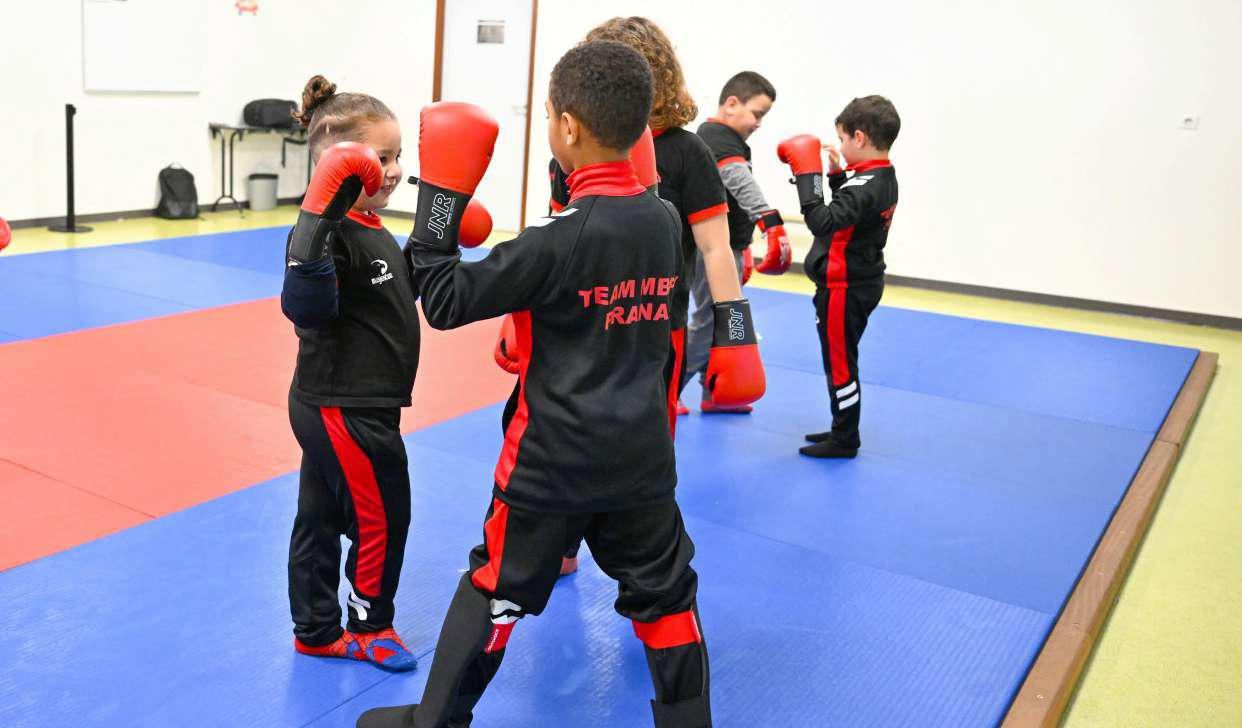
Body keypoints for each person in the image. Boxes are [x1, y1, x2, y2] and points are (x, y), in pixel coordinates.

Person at [357, 40, 731, 728]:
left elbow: (441, 300)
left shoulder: (554, 241)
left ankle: (433, 722)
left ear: (567, 127)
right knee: (668, 599)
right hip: (642, 460)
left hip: (550, 464)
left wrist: (439, 203)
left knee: (496, 587)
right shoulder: (662, 220)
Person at [280, 75, 488, 671]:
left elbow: (414, 284)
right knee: (382, 516)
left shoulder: (372, 229)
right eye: (382, 156)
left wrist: (444, 210)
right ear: (335, 163)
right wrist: (316, 219)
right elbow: (306, 306)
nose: (394, 169)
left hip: (352, 400)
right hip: (343, 406)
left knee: (319, 518)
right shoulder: (321, 234)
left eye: (400, 156)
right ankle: (371, 625)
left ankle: (316, 629)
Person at [584, 16, 765, 422]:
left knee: (652, 437)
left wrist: (736, 337)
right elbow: (554, 230)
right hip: (585, 321)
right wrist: (521, 315)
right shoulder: (578, 146)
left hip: (659, 324)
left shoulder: (688, 153)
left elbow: (716, 248)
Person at [776, 95, 901, 458]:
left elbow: (824, 220)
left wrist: (808, 179)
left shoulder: (866, 185)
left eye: (843, 139)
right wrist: (832, 176)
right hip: (857, 281)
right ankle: (840, 427)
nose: (842, 146)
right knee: (839, 357)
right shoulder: (880, 177)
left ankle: (845, 437)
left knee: (841, 360)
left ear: (859, 138)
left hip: (845, 287)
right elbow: (848, 215)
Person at [687, 71, 789, 412]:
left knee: (716, 319)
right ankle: (667, 393)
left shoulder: (724, 139)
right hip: (712, 249)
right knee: (711, 319)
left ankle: (712, 392)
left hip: (726, 247)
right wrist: (769, 220)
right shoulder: (717, 137)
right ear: (732, 103)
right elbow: (738, 181)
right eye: (757, 114)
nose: (759, 123)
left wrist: (743, 246)